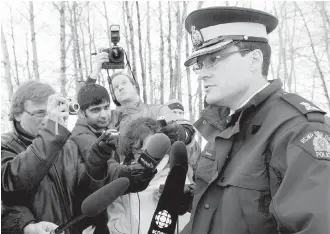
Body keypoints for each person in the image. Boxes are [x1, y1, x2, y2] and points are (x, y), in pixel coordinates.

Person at [180, 6, 330, 234]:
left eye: (214, 59)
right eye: (200, 65)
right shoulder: (224, 128)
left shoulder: (296, 130)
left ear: (254, 59)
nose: (202, 74)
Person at [0, 81, 112, 234]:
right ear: (17, 114)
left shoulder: (67, 145)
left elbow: (84, 196)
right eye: (41, 113)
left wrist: (95, 165)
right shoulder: (5, 145)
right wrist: (52, 133)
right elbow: (10, 187)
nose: (48, 120)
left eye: (51, 112)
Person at [71, 83, 157, 234]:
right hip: (90, 221)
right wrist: (125, 175)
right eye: (95, 110)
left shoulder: (106, 129)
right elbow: (107, 165)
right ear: (83, 113)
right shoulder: (81, 135)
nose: (104, 114)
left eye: (106, 107)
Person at [87, 54, 196, 154]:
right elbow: (86, 109)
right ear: (114, 95)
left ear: (135, 86)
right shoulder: (109, 118)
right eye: (115, 87)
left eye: (124, 83)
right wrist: (94, 72)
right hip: (123, 173)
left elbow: (186, 129)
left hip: (158, 171)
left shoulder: (157, 110)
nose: (120, 87)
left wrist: (180, 132)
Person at [106, 117, 191, 234]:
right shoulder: (124, 174)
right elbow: (115, 219)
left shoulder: (175, 174)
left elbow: (187, 219)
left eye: (150, 151)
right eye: (139, 152)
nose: (144, 158)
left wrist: (169, 203)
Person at [165, 99, 201, 182]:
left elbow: (198, 168)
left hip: (187, 184)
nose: (177, 115)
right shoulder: (158, 134)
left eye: (180, 113)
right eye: (174, 112)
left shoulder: (194, 143)